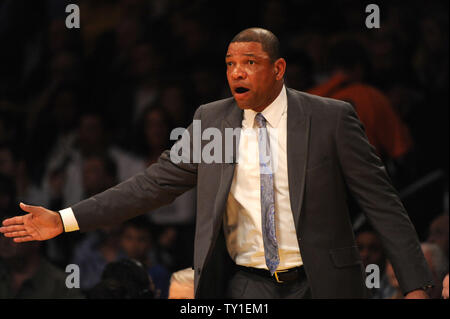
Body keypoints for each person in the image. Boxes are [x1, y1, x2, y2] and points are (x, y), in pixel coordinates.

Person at [1, 28, 433, 299]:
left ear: (279, 68)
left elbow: (383, 204)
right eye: (230, 65)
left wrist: (416, 285)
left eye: (250, 63)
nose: (237, 73)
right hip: (245, 283)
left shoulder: (330, 117)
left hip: (322, 281)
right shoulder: (213, 120)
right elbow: (150, 186)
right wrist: (64, 219)